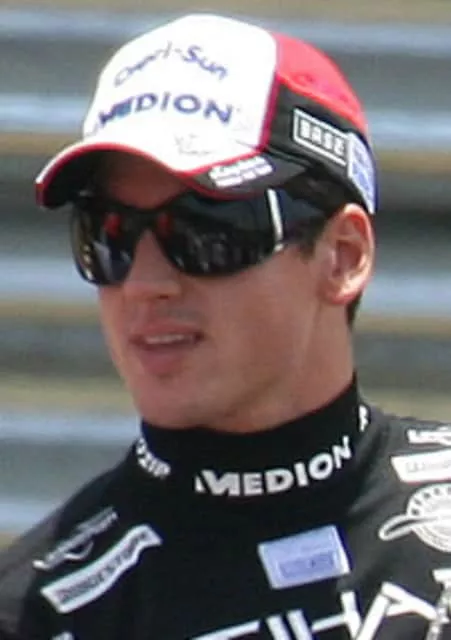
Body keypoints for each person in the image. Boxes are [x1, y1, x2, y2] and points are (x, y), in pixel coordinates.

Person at [0, 12, 450, 640]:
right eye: (109, 235)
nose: (145, 283)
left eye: (205, 232)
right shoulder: (38, 611)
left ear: (343, 256)